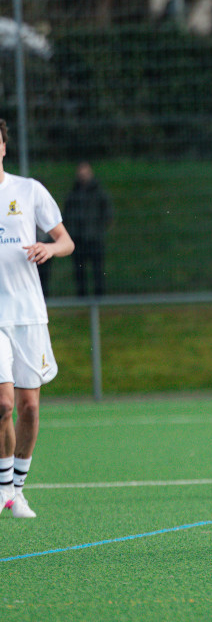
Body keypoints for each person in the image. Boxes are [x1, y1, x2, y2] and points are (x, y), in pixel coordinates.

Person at [0, 118, 75, 519]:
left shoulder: (28, 191)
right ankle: (3, 487)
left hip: (28, 314)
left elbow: (67, 240)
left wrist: (49, 248)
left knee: (29, 407)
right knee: (3, 403)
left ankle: (17, 489)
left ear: (3, 147)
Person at [62, 161, 113, 297]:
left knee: (98, 270)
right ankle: (82, 297)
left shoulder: (99, 193)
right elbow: (66, 214)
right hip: (78, 238)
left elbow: (107, 213)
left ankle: (99, 297)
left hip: (94, 238)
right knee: (80, 271)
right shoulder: (73, 194)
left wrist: (98, 229)